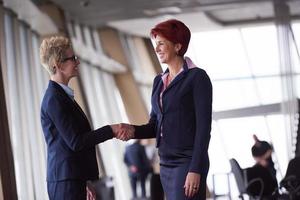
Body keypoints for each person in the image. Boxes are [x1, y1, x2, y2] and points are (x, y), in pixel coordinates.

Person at [119, 19, 213, 200]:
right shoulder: (158, 82)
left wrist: (195, 168)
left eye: (161, 43)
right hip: (165, 163)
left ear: (178, 46)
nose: (157, 49)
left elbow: (204, 129)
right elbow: (155, 125)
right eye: (155, 44)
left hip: (187, 161)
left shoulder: (197, 78)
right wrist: (132, 130)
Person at [39, 36, 127, 200]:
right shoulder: (54, 99)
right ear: (58, 65)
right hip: (65, 184)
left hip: (71, 179)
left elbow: (68, 144)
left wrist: (83, 180)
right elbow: (76, 141)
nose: (77, 62)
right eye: (72, 58)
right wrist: (111, 130)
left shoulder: (62, 96)